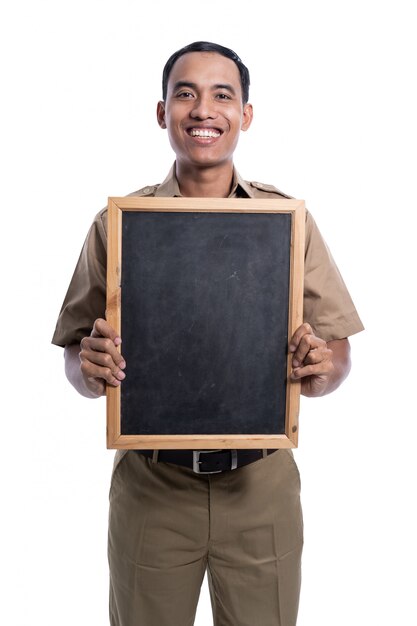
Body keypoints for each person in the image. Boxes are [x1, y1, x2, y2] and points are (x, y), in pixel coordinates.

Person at [52, 41, 363, 626]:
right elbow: (76, 350)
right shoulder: (119, 224)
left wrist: (322, 369)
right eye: (185, 93)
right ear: (162, 110)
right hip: (152, 489)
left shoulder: (286, 221)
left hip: (260, 488)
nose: (203, 109)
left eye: (223, 94)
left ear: (245, 114)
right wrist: (87, 369)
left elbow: (337, 348)